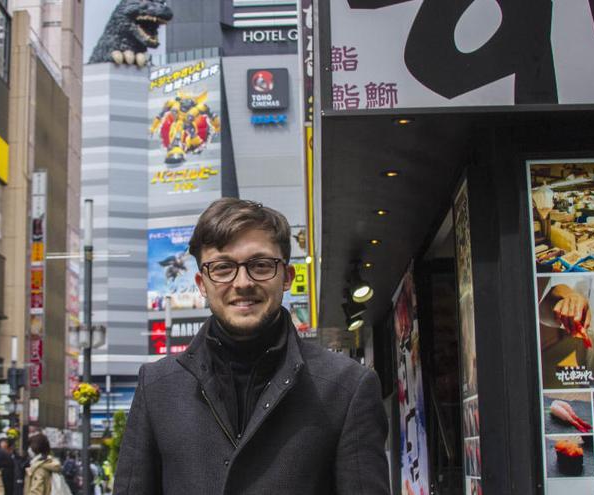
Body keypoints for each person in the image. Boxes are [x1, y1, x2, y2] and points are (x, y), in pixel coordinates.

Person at [113, 198, 390, 494]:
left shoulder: (347, 387)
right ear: (201, 283)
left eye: (260, 265)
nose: (242, 282)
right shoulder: (157, 387)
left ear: (287, 276)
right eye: (222, 268)